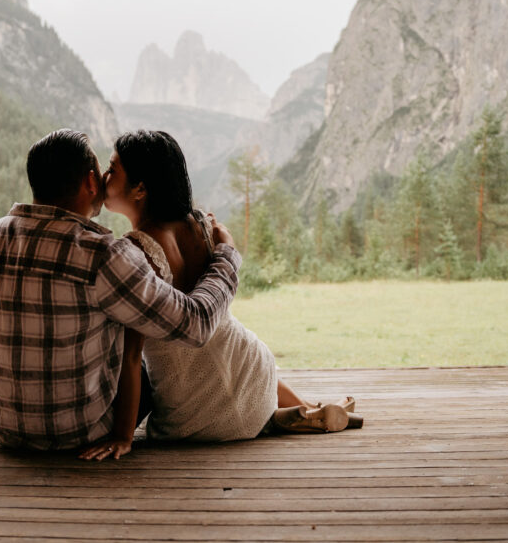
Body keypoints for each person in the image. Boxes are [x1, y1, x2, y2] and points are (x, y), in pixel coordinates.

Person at [79, 130, 361, 461]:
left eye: (113, 169)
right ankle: (304, 410)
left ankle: (295, 414)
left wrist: (123, 436)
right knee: (242, 368)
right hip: (252, 368)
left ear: (140, 189)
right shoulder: (201, 225)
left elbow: (131, 356)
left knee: (221, 400)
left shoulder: (135, 252)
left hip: (195, 410)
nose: (104, 176)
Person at [0, 128, 242, 451]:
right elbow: (197, 324)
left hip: (2, 430)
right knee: (136, 347)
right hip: (81, 434)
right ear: (91, 182)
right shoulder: (103, 256)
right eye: (102, 171)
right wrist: (227, 256)